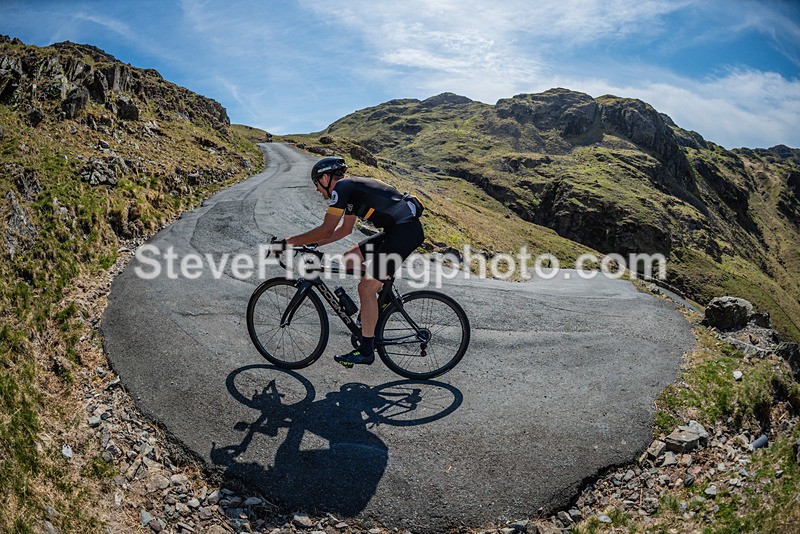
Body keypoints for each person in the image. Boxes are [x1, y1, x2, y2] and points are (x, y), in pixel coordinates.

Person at [275, 157, 425, 367]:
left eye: (317, 185)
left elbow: (327, 228)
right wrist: (314, 245)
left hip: (405, 232)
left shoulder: (343, 188)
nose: (318, 191)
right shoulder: (352, 190)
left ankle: (365, 350)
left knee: (365, 288)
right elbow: (344, 230)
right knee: (350, 258)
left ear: (325, 178)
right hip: (396, 231)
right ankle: (380, 295)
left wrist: (288, 243)